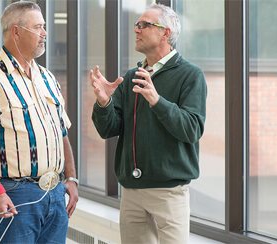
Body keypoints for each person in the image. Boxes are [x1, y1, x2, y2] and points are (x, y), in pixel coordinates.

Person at [0, 2, 78, 243]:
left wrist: (72, 178)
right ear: (16, 31)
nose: (45, 33)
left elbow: (61, 132)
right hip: (15, 194)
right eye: (38, 27)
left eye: (44, 27)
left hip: (55, 193)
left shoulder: (47, 78)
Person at [90, 3, 207, 244]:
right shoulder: (132, 76)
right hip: (131, 192)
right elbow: (108, 129)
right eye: (136, 25)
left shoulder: (190, 75)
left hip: (169, 193)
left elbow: (192, 129)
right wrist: (104, 103)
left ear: (166, 33)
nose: (137, 30)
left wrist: (156, 100)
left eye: (144, 25)